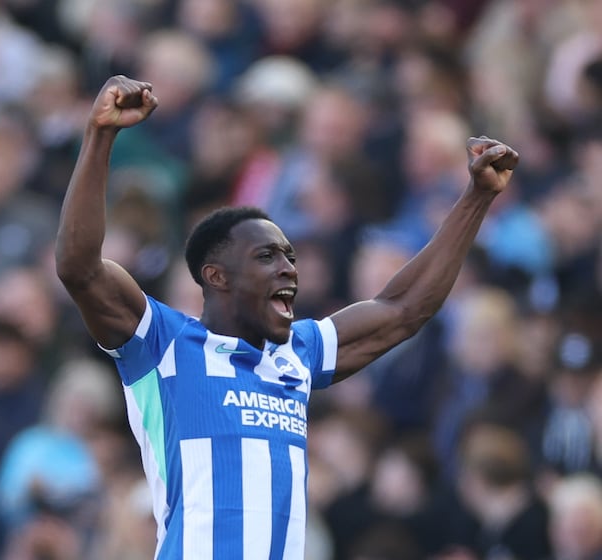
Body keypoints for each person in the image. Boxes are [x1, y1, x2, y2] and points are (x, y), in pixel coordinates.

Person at [54, 75, 519, 559]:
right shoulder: (164, 344)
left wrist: (477, 198)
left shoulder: (297, 352)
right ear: (217, 276)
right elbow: (79, 268)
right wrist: (100, 134)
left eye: (291, 257)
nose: (289, 269)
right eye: (268, 257)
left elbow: (404, 309)